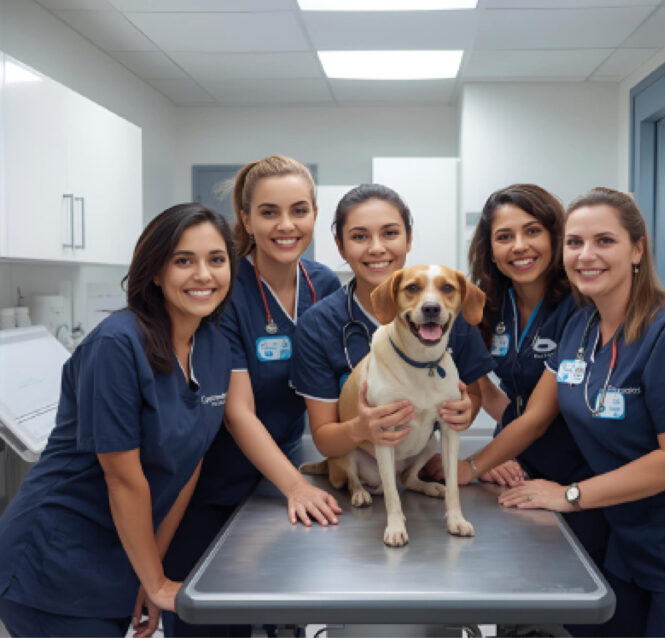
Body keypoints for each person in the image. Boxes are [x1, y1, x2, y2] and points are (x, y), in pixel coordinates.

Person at [492, 187, 665, 637]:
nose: (586, 255)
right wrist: (468, 467)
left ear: (637, 249)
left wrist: (570, 494)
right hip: (630, 540)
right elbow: (535, 416)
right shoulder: (578, 324)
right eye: (576, 243)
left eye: (605, 241)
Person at [0, 203, 236, 637]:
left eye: (216, 260)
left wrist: (152, 574)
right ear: (155, 272)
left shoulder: (214, 345)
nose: (204, 274)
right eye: (184, 260)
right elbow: (123, 479)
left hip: (121, 558)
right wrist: (155, 580)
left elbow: (190, 463)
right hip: (55, 562)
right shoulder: (116, 345)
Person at [162, 156, 342, 638]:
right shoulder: (227, 289)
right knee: (212, 622)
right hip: (214, 483)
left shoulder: (323, 284)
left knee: (282, 619)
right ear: (245, 219)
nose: (286, 225)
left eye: (299, 210)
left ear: (315, 214)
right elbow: (237, 413)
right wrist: (297, 488)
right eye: (268, 212)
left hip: (280, 475)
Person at [425, 184, 608, 569]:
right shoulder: (485, 305)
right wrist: (498, 455)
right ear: (490, 248)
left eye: (532, 231)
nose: (519, 246)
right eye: (504, 237)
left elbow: (539, 416)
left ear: (555, 236)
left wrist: (472, 466)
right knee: (517, 581)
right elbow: (482, 387)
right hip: (516, 468)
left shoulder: (580, 307)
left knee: (576, 590)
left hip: (575, 470)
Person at [290, 183, 494, 467]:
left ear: (408, 239)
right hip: (362, 468)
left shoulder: (444, 311)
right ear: (341, 245)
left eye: (390, 233)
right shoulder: (319, 325)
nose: (376, 248)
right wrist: (359, 428)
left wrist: (464, 413)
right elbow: (324, 439)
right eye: (359, 236)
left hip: (419, 468)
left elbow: (471, 395)